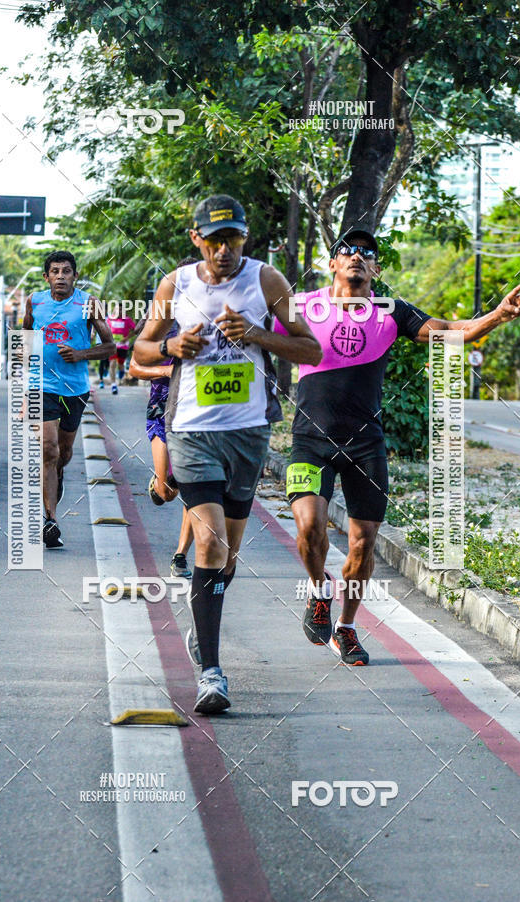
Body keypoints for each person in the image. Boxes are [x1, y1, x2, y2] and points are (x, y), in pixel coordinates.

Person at [277, 227, 520, 665]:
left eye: (367, 253)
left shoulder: (391, 312)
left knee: (363, 543)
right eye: (348, 250)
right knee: (309, 528)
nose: (357, 256)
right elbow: (257, 326)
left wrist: (497, 316)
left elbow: (452, 331)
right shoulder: (303, 305)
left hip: (366, 446)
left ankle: (347, 627)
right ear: (333, 261)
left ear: (376, 266)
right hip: (310, 441)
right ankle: (319, 591)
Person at [132, 194, 321, 714]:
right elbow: (139, 351)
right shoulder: (177, 284)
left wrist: (258, 334)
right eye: (213, 241)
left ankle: (204, 624)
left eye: (232, 239)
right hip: (191, 431)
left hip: (248, 433)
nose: (223, 250)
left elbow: (312, 350)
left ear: (245, 237)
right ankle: (212, 674)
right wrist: (171, 348)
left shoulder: (267, 282)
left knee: (228, 557)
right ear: (197, 240)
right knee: (210, 546)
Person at [23, 250, 115, 548]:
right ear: (46, 276)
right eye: (55, 271)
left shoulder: (88, 303)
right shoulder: (35, 301)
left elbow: (110, 346)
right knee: (47, 450)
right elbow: (25, 337)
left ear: (75, 276)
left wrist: (80, 354)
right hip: (41, 386)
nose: (61, 276)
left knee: (62, 454)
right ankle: (50, 520)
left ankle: (57, 477)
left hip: (74, 390)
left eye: (66, 271)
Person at [128, 257, 198, 579]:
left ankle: (181, 554)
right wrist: (167, 370)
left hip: (200, 411)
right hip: (162, 406)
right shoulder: (160, 317)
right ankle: (160, 485)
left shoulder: (217, 316)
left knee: (195, 486)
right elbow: (134, 366)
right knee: (169, 489)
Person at [107, 310, 137, 393]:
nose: (119, 312)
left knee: (121, 365)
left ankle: (120, 377)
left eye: (120, 310)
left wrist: (126, 338)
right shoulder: (110, 319)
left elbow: (135, 330)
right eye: (117, 310)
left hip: (123, 346)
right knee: (112, 363)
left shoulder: (127, 320)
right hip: (112, 345)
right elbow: (105, 330)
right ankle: (113, 384)